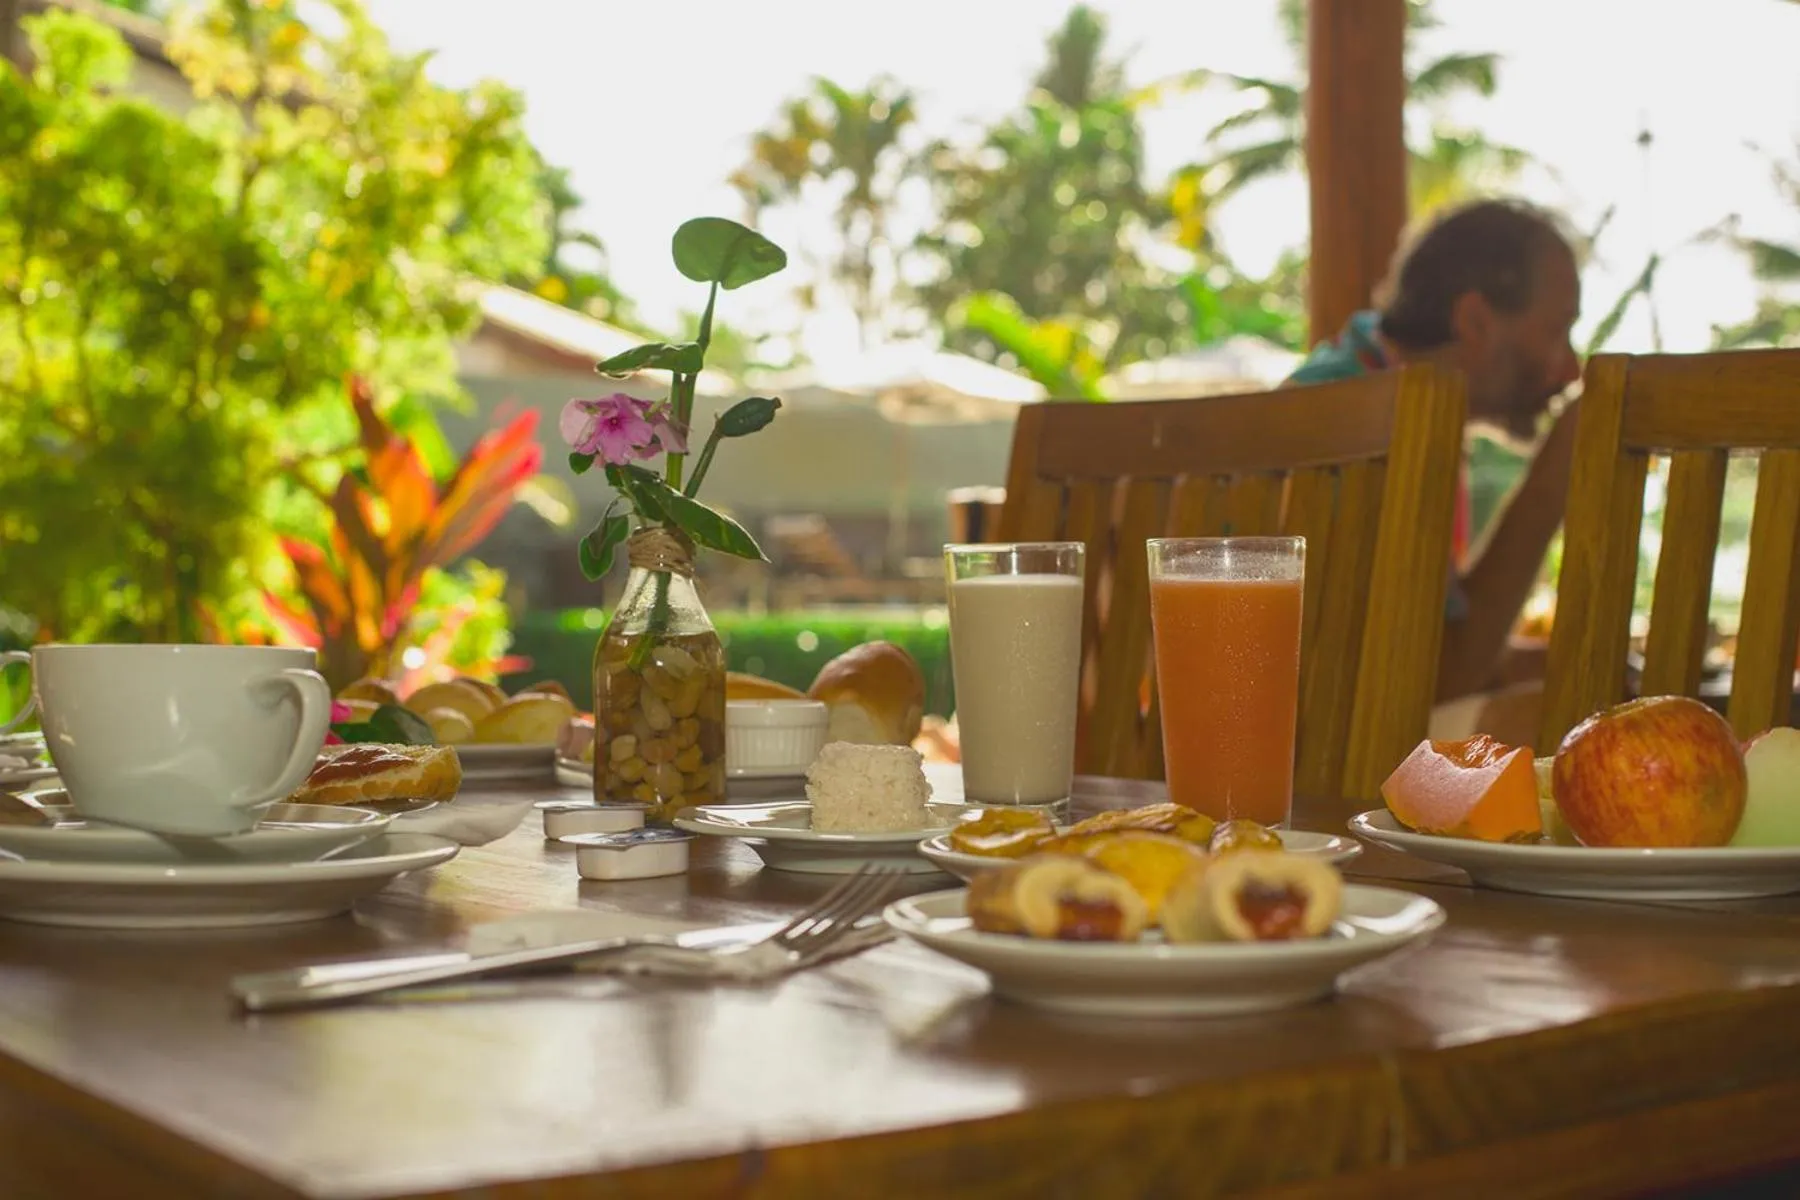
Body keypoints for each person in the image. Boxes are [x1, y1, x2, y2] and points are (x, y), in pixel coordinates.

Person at [1285, 198, 1583, 706]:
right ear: (1474, 320)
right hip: (1306, 772)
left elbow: (1394, 649)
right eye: (1558, 331)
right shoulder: (1373, 428)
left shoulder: (1345, 380)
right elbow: (1436, 677)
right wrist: (1559, 475)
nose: (1573, 370)